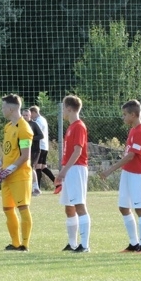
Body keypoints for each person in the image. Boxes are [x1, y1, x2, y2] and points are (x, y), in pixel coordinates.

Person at [99, 99, 141, 253]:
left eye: (125, 114)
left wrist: (110, 170)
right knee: (123, 207)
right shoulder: (133, 130)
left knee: (139, 209)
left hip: (137, 175)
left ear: (133, 115)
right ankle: (134, 244)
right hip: (127, 173)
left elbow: (131, 156)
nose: (123, 117)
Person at [0, 94, 34, 251]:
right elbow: (8, 151)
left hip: (20, 175)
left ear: (11, 109)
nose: (2, 110)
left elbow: (25, 156)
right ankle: (15, 243)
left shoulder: (24, 128)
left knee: (22, 207)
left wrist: (10, 169)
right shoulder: (8, 127)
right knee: (7, 209)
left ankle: (25, 244)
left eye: (3, 107)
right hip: (7, 176)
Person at [55, 95, 91, 252]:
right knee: (69, 208)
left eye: (64, 108)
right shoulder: (71, 127)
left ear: (69, 109)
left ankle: (85, 245)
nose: (62, 111)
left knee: (79, 205)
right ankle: (72, 243)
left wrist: (63, 171)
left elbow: (78, 151)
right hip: (70, 169)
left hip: (76, 169)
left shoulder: (79, 126)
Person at [29, 105, 55, 191]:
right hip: (45, 146)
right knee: (43, 167)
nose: (30, 116)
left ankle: (37, 188)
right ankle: (57, 183)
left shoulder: (38, 121)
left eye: (31, 114)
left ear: (34, 112)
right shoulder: (43, 119)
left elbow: (37, 133)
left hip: (40, 146)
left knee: (37, 167)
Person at [21, 108, 44, 196]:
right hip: (25, 150)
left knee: (30, 167)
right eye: (23, 115)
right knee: (24, 168)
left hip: (34, 150)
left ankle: (36, 188)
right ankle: (28, 188)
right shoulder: (20, 125)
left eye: (26, 115)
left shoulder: (33, 124)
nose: (25, 117)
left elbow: (41, 135)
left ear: (30, 116)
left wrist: (31, 138)